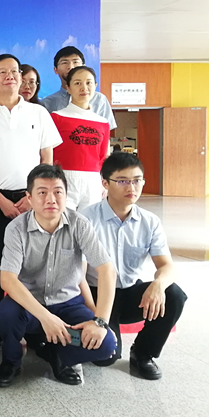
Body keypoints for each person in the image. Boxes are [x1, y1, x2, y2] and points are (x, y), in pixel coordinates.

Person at [0, 54, 62, 355]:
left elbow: (47, 159)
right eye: (2, 72)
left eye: (14, 71)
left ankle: (35, 330)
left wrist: (34, 197)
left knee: (34, 267)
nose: (10, 76)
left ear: (21, 77)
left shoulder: (38, 113)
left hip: (32, 199)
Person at [0, 164, 117, 387]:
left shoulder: (79, 224)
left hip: (68, 303)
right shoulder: (16, 228)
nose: (51, 199)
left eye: (58, 192)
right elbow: (7, 279)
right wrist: (46, 318)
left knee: (106, 345)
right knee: (7, 313)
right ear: (29, 198)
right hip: (29, 305)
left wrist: (100, 321)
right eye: (42, 192)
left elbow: (106, 269)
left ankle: (58, 356)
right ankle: (11, 361)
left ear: (66, 195)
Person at [81, 153, 187, 380]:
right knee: (105, 356)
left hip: (130, 293)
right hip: (97, 295)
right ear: (105, 183)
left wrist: (158, 284)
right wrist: (95, 314)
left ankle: (143, 354)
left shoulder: (149, 221)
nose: (132, 187)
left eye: (137, 180)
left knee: (174, 295)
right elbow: (76, 274)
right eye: (123, 181)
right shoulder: (86, 219)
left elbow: (167, 265)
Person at [51, 66, 110, 211]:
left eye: (89, 83)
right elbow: (47, 153)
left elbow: (103, 157)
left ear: (95, 86)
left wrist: (103, 182)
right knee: (62, 220)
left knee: (89, 222)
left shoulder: (103, 122)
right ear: (68, 88)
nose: (84, 88)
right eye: (77, 83)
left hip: (93, 181)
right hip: (63, 178)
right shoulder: (57, 117)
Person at [41, 46, 117, 129]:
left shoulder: (100, 100)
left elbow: (106, 131)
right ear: (55, 70)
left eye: (75, 62)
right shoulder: (46, 104)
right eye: (64, 63)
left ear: (84, 66)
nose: (71, 67)